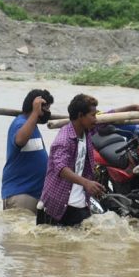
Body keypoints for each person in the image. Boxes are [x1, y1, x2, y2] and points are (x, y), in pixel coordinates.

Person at [37, 94, 105, 227]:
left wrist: (132, 107)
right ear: (80, 116)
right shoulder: (64, 139)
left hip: (80, 202)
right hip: (59, 205)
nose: (95, 119)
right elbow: (61, 168)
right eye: (93, 115)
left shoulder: (86, 132)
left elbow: (109, 116)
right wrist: (86, 183)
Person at [1, 89, 54, 212]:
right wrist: (35, 113)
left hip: (35, 194)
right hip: (21, 194)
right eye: (46, 109)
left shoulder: (32, 125)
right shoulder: (20, 123)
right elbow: (20, 140)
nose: (48, 113)